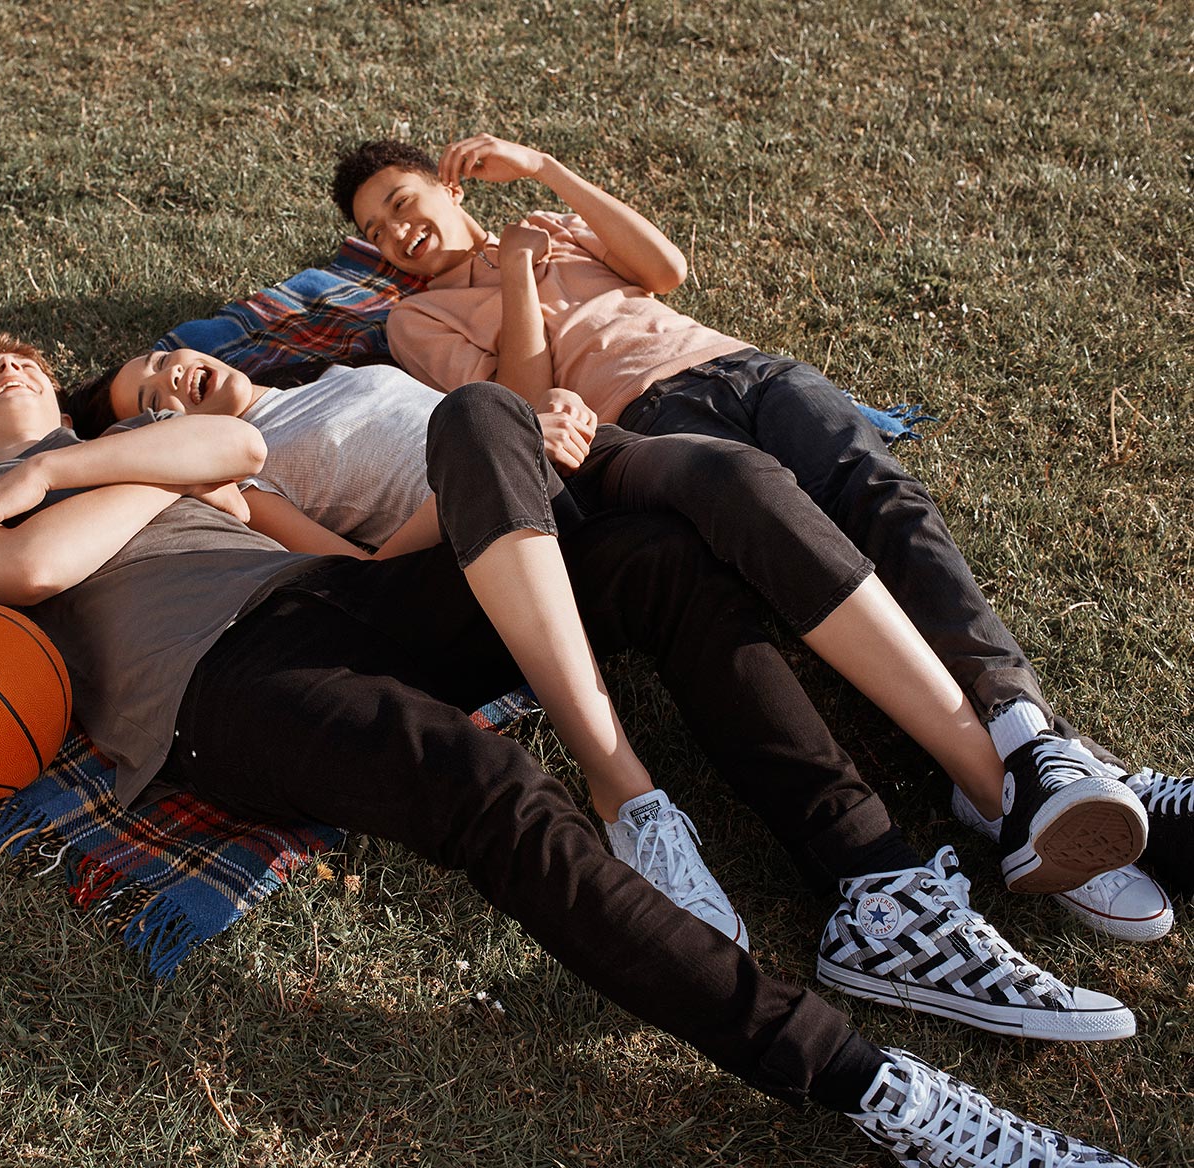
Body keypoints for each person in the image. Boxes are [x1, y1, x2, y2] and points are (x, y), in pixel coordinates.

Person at [0, 335, 1142, 1167]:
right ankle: (872, 1088)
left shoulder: (102, 455)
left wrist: (84, 468)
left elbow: (241, 449)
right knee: (484, 786)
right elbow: (29, 571)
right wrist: (70, 483)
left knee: (649, 556)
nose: (6, 363)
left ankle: (872, 883)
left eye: (23, 356)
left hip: (326, 601)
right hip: (217, 689)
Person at [68, 345, 1157, 1031]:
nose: (173, 379)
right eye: (148, 400)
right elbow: (364, 582)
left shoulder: (346, 364)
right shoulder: (236, 473)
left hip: (569, 456)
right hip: (495, 534)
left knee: (733, 475)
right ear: (146, 436)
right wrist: (495, 461)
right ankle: (635, 800)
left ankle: (1001, 785)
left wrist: (544, 417)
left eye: (163, 358)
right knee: (477, 421)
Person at [329, 132, 1192, 915]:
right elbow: (522, 413)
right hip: (643, 422)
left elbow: (664, 270)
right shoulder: (416, 318)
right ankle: (1030, 784)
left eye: (402, 203)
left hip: (744, 370)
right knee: (797, 542)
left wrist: (549, 172)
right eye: (376, 231)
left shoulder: (556, 222)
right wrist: (517, 272)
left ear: (451, 188)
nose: (397, 232)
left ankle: (1025, 741)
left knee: (884, 501)